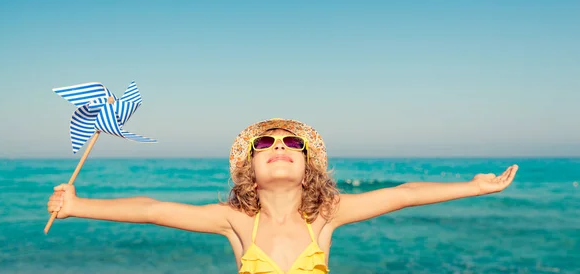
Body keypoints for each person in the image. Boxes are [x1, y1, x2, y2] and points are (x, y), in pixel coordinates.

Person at [47, 118, 518, 273]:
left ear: (307, 165)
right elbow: (152, 210)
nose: (279, 148)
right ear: (248, 167)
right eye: (265, 144)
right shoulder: (233, 221)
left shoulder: (329, 214)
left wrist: (474, 187)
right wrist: (77, 206)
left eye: (293, 143)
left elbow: (407, 193)